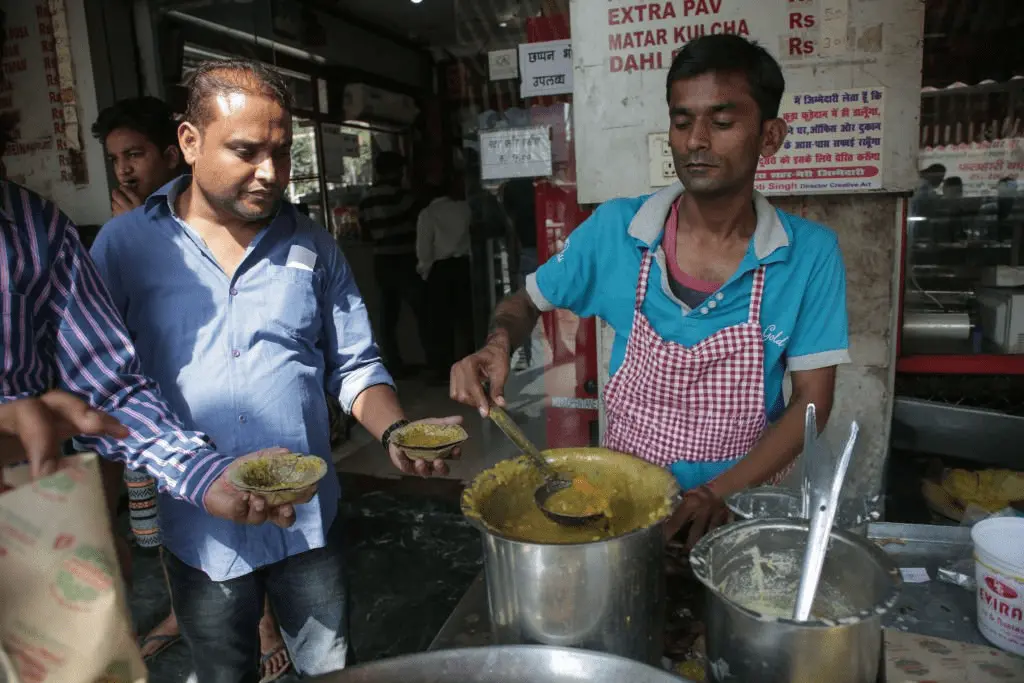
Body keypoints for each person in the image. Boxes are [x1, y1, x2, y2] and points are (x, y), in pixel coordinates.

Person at [90, 58, 461, 683]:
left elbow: (355, 365)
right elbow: (102, 385)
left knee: (328, 669)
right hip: (200, 530)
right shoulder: (123, 249)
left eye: (282, 153)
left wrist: (395, 432)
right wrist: (102, 525)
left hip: (307, 524)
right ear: (189, 141)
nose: (270, 173)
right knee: (222, 672)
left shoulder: (312, 245)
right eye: (245, 151)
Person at [450, 35, 850, 548]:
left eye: (722, 123)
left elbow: (812, 405)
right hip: (620, 507)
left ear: (770, 136)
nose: (696, 141)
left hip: (738, 510)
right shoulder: (618, 230)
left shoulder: (808, 254)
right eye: (682, 123)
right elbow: (525, 301)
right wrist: (498, 343)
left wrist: (718, 493)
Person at [92, 97, 292, 679]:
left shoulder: (253, 222)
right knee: (168, 534)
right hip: (152, 423)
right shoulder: (119, 239)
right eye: (116, 159)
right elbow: (99, 353)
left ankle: (262, 622)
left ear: (179, 149)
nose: (126, 169)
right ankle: (191, 613)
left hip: (229, 422)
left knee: (257, 511)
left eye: (135, 154)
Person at [357, 151, 430, 377]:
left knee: (388, 316)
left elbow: (365, 234)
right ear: (397, 171)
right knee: (422, 312)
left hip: (381, 260)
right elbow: (420, 224)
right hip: (405, 259)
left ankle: (393, 362)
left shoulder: (366, 198)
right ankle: (432, 360)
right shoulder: (403, 196)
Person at [416, 183, 473, 384]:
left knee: (440, 324)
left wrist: (425, 272)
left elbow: (424, 250)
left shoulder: (428, 214)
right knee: (467, 320)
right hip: (464, 266)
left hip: (440, 270)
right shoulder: (464, 208)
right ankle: (472, 367)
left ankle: (444, 371)